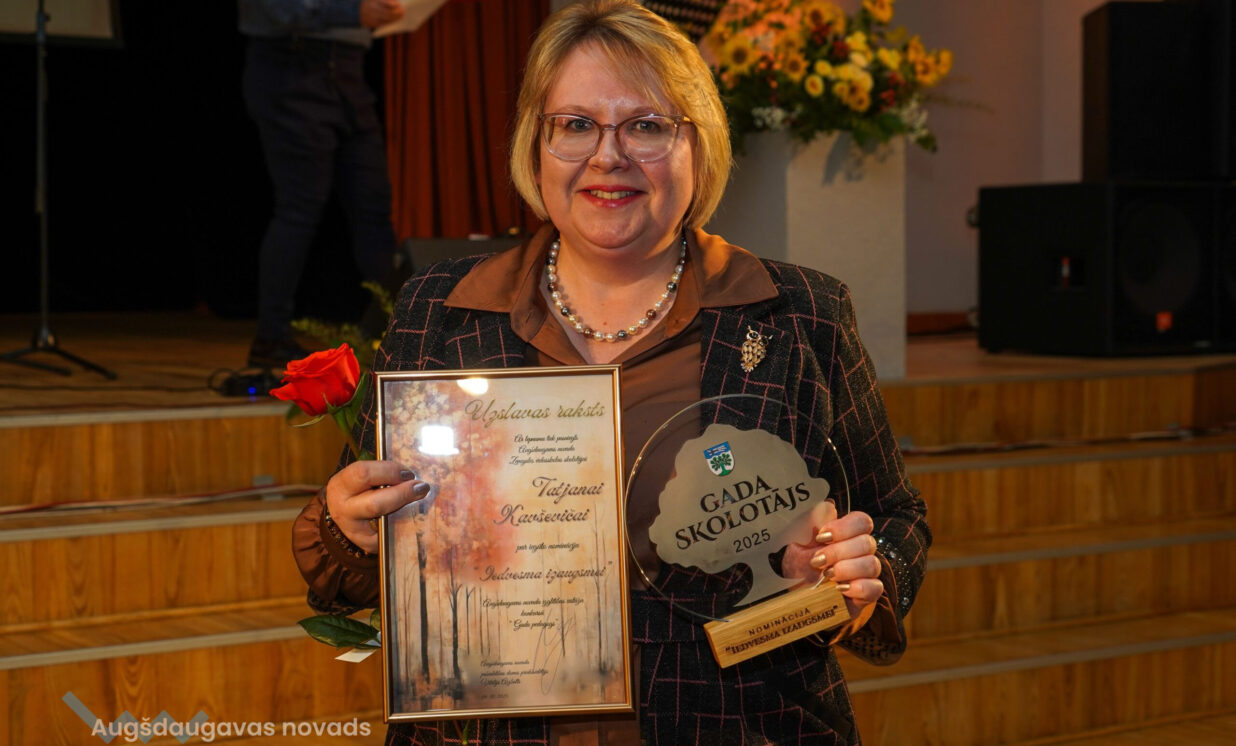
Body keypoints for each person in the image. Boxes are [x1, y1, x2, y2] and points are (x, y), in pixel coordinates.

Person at [292, 1, 930, 743]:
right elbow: (361, 540)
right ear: (537, 145)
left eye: (647, 126)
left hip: (736, 724)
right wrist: (349, 527)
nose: (608, 156)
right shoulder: (440, 310)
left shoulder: (800, 314)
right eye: (576, 124)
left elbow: (895, 515)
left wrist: (861, 572)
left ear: (699, 146)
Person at [239, 0, 404, 368]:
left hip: (348, 67)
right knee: (299, 207)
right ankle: (271, 338)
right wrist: (352, 13)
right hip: (292, 64)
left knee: (373, 206)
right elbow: (273, 9)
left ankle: (402, 332)